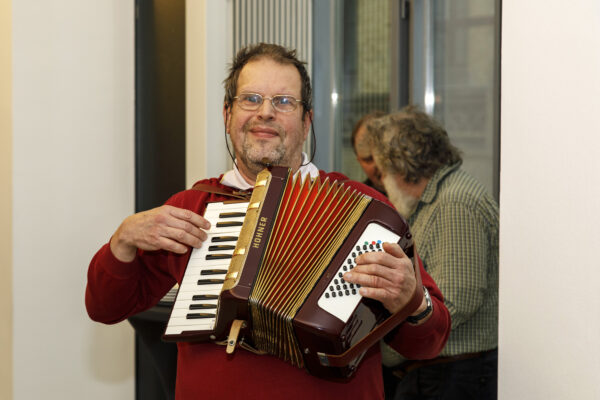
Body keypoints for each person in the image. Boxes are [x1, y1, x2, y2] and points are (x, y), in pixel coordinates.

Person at [85, 43, 451, 400]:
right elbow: (105, 307)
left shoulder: (365, 211)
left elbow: (428, 343)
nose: (265, 112)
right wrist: (122, 242)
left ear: (306, 122)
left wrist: (415, 302)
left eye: (284, 101)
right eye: (251, 99)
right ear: (227, 115)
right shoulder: (193, 207)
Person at [365, 106, 499, 400]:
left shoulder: (455, 202)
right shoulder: (432, 200)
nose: (380, 181)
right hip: (441, 374)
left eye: (381, 170)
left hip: (454, 375)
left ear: (401, 167)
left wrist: (386, 344)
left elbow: (455, 301)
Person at [351, 111, 387, 195]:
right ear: (359, 160)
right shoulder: (355, 200)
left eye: (382, 154)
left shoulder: (417, 194)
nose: (377, 164)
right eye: (368, 159)